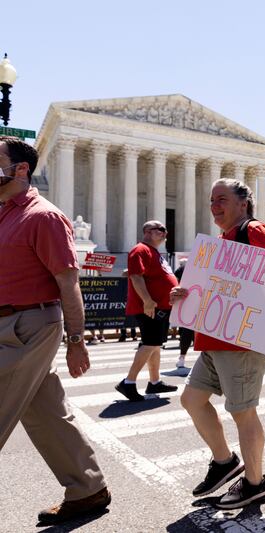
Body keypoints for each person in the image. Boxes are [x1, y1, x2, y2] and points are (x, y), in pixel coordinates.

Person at [0, 136, 110, 525]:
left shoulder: (43, 216)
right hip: (9, 324)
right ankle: (87, 487)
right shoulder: (3, 213)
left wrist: (77, 341)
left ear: (20, 169)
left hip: (26, 326)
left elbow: (68, 282)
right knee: (44, 411)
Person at [170, 178, 265, 509]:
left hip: (242, 340)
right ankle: (224, 461)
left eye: (222, 199)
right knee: (192, 399)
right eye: (211, 200)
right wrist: (183, 293)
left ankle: (256, 483)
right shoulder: (221, 241)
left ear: (243, 204)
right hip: (215, 339)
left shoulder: (254, 231)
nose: (214, 205)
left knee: (243, 412)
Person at [114, 221, 179, 401]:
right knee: (150, 343)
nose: (165, 233)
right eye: (161, 230)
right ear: (148, 231)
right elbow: (136, 276)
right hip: (150, 307)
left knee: (155, 344)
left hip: (160, 307)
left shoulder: (153, 252)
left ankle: (154, 382)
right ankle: (128, 383)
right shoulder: (140, 249)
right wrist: (147, 300)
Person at [173, 257, 193, 369]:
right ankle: (182, 357)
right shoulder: (184, 269)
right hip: (190, 301)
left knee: (186, 330)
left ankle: (182, 357)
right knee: (187, 331)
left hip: (187, 301)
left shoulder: (181, 270)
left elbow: (175, 282)